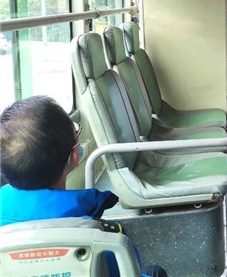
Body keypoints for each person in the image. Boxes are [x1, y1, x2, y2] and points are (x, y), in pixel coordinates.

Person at [0, 96, 167, 277]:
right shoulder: (98, 237)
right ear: (73, 157)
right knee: (154, 272)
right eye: (77, 133)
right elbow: (127, 269)